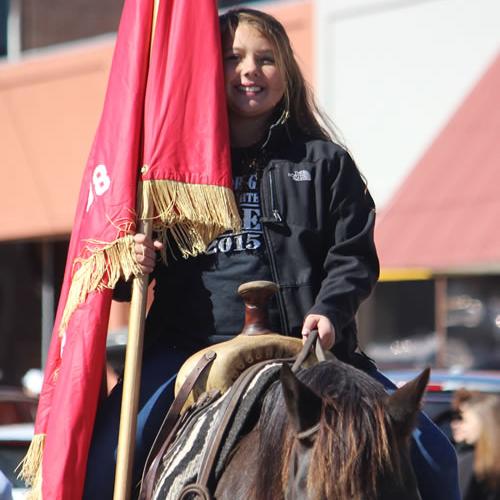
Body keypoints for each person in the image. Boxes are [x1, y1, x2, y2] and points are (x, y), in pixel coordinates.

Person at [84, 8, 458, 499]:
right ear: (207, 70)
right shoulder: (165, 170)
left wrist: (330, 311)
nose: (249, 71)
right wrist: (131, 260)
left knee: (438, 459)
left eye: (266, 59)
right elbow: (113, 283)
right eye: (232, 57)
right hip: (187, 351)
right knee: (105, 457)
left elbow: (354, 257)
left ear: (286, 71)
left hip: (317, 350)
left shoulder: (325, 162)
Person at [451, 390, 500, 500]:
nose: (455, 424)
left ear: (483, 421)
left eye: (463, 418)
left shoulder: (468, 462)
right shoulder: (468, 460)